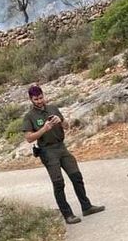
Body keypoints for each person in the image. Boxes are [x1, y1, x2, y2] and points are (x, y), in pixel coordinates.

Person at [22, 84, 105, 224]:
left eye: (41, 97)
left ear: (44, 95)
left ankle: (87, 207)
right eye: (36, 99)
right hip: (47, 151)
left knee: (76, 176)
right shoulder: (29, 116)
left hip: (61, 147)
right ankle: (68, 215)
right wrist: (44, 129)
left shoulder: (53, 108)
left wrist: (61, 121)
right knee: (58, 183)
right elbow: (29, 138)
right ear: (31, 99)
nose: (39, 101)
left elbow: (67, 126)